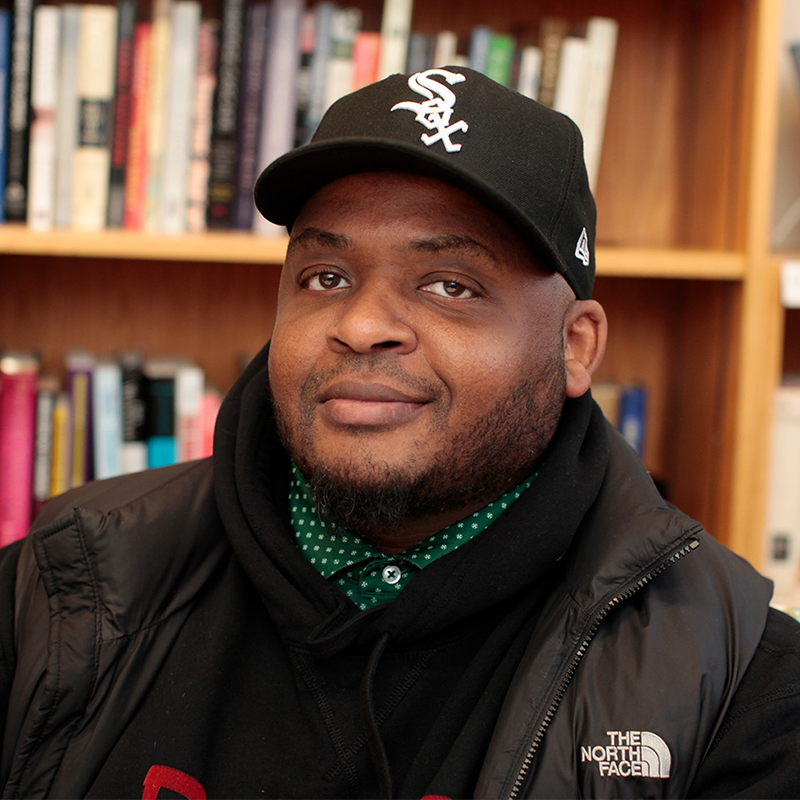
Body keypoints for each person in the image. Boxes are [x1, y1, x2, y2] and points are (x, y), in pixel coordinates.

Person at [1, 67, 798, 800]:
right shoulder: (66, 592)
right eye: (326, 277)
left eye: (451, 285)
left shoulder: (734, 685)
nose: (362, 324)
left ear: (574, 346)